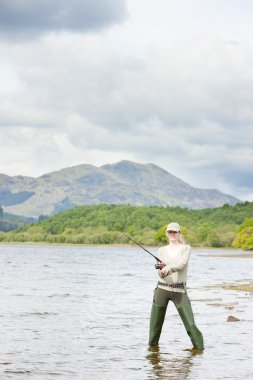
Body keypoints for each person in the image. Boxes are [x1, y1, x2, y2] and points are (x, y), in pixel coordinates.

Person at [149, 222, 204, 350]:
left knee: (190, 324)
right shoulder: (161, 250)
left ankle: (200, 350)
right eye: (170, 232)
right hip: (162, 290)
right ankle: (152, 354)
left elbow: (181, 265)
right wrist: (162, 271)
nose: (172, 234)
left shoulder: (186, 248)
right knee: (154, 328)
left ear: (179, 233)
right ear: (167, 234)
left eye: (175, 232)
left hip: (179, 290)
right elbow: (161, 273)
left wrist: (168, 268)